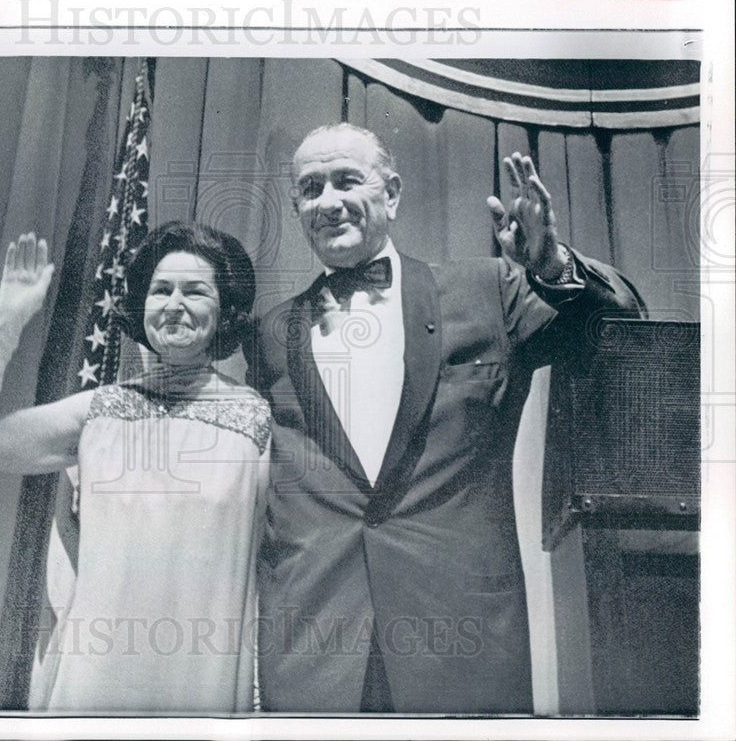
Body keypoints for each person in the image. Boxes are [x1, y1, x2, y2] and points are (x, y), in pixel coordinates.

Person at [247, 123, 645, 714]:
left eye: (345, 180)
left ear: (393, 194)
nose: (327, 201)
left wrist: (551, 263)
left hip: (462, 629)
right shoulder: (269, 334)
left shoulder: (487, 289)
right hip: (316, 642)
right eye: (310, 189)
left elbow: (618, 325)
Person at [0, 222, 270, 713]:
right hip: (98, 674)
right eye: (160, 290)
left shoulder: (257, 422)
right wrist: (5, 325)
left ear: (225, 310)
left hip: (204, 677)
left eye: (195, 290)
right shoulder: (100, 410)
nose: (174, 304)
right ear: (141, 306)